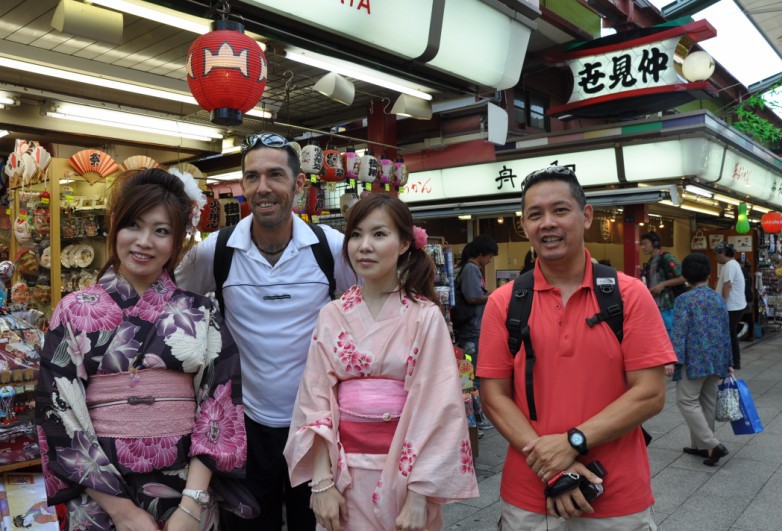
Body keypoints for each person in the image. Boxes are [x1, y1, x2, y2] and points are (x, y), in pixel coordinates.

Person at [35, 168, 256, 530]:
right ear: (115, 227)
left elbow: (220, 407)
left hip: (187, 490)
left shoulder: (201, 312)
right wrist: (122, 512)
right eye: (133, 225)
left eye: (161, 231)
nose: (144, 241)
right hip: (101, 492)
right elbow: (57, 412)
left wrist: (191, 505)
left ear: (178, 241)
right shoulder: (74, 310)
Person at [477, 166, 676, 529]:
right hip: (529, 497)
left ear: (586, 216)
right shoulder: (504, 302)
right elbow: (493, 396)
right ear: (524, 226)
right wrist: (555, 467)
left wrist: (574, 442)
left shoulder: (629, 295)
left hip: (616, 496)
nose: (547, 223)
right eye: (535, 214)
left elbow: (649, 394)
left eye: (560, 210)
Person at [176, 133, 356, 531]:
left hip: (317, 430)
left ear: (298, 185)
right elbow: (170, 303)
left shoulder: (330, 248)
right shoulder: (216, 250)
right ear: (242, 185)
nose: (263, 187)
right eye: (252, 177)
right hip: (246, 428)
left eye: (275, 175)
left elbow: (376, 303)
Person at [284, 194, 479, 530]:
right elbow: (315, 403)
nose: (364, 246)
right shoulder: (332, 315)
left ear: (404, 243)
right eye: (356, 235)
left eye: (379, 234)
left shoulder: (425, 316)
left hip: (406, 474)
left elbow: (439, 405)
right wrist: (322, 483)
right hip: (342, 473)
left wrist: (420, 495)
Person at [668, 253, 733, 467]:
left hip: (694, 360)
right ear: (709, 273)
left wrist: (672, 360)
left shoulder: (684, 300)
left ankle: (711, 444)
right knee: (707, 402)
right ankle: (703, 448)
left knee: (686, 401)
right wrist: (729, 361)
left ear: (685, 275)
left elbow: (679, 333)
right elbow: (726, 331)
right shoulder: (717, 298)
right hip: (717, 358)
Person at [453, 234, 498, 371]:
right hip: (471, 328)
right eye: (489, 256)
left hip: (473, 327)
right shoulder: (471, 269)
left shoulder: (472, 269)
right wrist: (494, 296)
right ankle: (473, 391)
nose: (490, 260)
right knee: (471, 366)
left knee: (472, 364)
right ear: (481, 253)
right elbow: (472, 297)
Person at [640, 231, 686, 333]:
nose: (643, 247)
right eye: (641, 244)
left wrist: (663, 284)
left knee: (670, 333)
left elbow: (683, 277)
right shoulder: (650, 262)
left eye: (645, 243)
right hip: (656, 305)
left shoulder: (666, 258)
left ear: (655, 243)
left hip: (668, 305)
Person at [713, 242, 747, 370]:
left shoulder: (729, 265)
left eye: (716, 254)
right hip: (735, 305)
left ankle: (733, 361)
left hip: (731, 306)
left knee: (729, 334)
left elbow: (728, 285)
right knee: (729, 333)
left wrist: (722, 303)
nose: (715, 258)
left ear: (722, 253)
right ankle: (732, 361)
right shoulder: (732, 264)